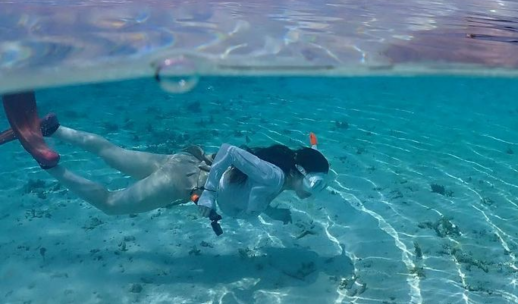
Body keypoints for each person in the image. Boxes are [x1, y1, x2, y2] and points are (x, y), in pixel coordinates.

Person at [0, 92, 331, 235]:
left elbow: (246, 188)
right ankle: (48, 163)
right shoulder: (274, 176)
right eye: (317, 184)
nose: (314, 192)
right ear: (301, 173)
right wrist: (211, 194)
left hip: (185, 165)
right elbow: (229, 150)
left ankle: (55, 129)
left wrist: (272, 211)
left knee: (113, 154)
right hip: (183, 182)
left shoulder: (275, 177)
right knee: (111, 204)